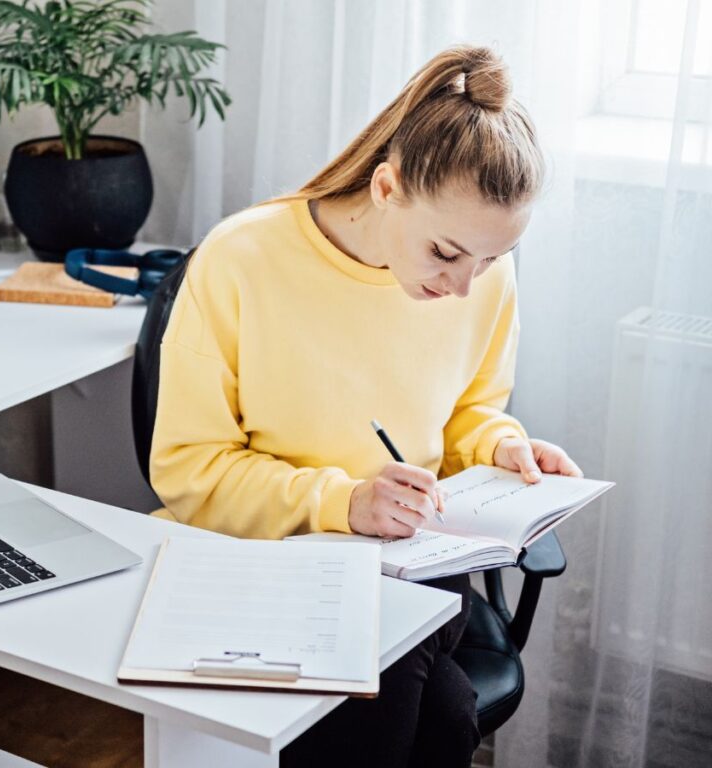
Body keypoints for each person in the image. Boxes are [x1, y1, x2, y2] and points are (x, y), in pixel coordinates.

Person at [148, 44, 584, 767]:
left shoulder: (482, 279)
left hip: (406, 568)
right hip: (266, 562)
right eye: (446, 253)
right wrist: (343, 502)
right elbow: (187, 472)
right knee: (441, 715)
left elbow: (468, 411)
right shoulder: (242, 261)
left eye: (489, 261)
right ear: (387, 188)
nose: (464, 287)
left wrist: (500, 447)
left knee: (409, 702)